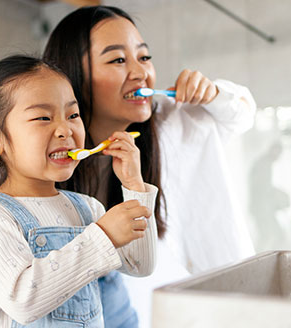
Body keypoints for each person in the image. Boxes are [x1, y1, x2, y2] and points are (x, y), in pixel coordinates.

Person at [43, 6, 257, 326]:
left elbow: (242, 112)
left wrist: (213, 94)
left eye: (144, 57)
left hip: (223, 306)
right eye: (118, 59)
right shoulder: (52, 162)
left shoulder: (176, 119)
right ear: (73, 76)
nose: (140, 72)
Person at [0, 55, 158, 327]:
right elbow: (23, 301)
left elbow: (141, 264)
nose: (65, 130)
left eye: (73, 115)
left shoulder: (88, 208)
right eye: (43, 117)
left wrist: (134, 186)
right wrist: (102, 237)